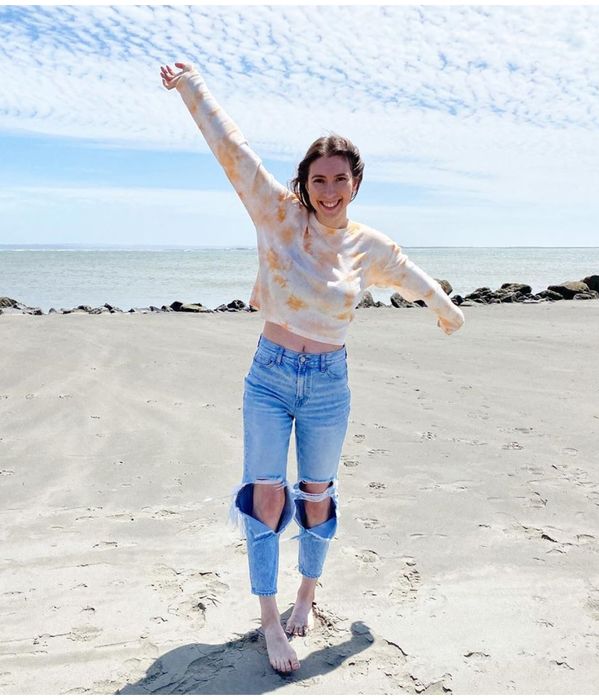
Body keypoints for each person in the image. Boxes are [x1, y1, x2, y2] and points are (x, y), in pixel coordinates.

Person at [161, 61, 464, 674]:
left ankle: (306, 593)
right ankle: (270, 619)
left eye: (339, 180)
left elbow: (410, 275)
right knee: (266, 496)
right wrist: (191, 85)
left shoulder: (368, 246)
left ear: (355, 184)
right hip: (270, 376)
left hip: (328, 384)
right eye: (318, 179)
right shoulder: (277, 215)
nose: (328, 191)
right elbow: (232, 150)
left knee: (318, 497)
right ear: (303, 182)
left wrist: (446, 310)